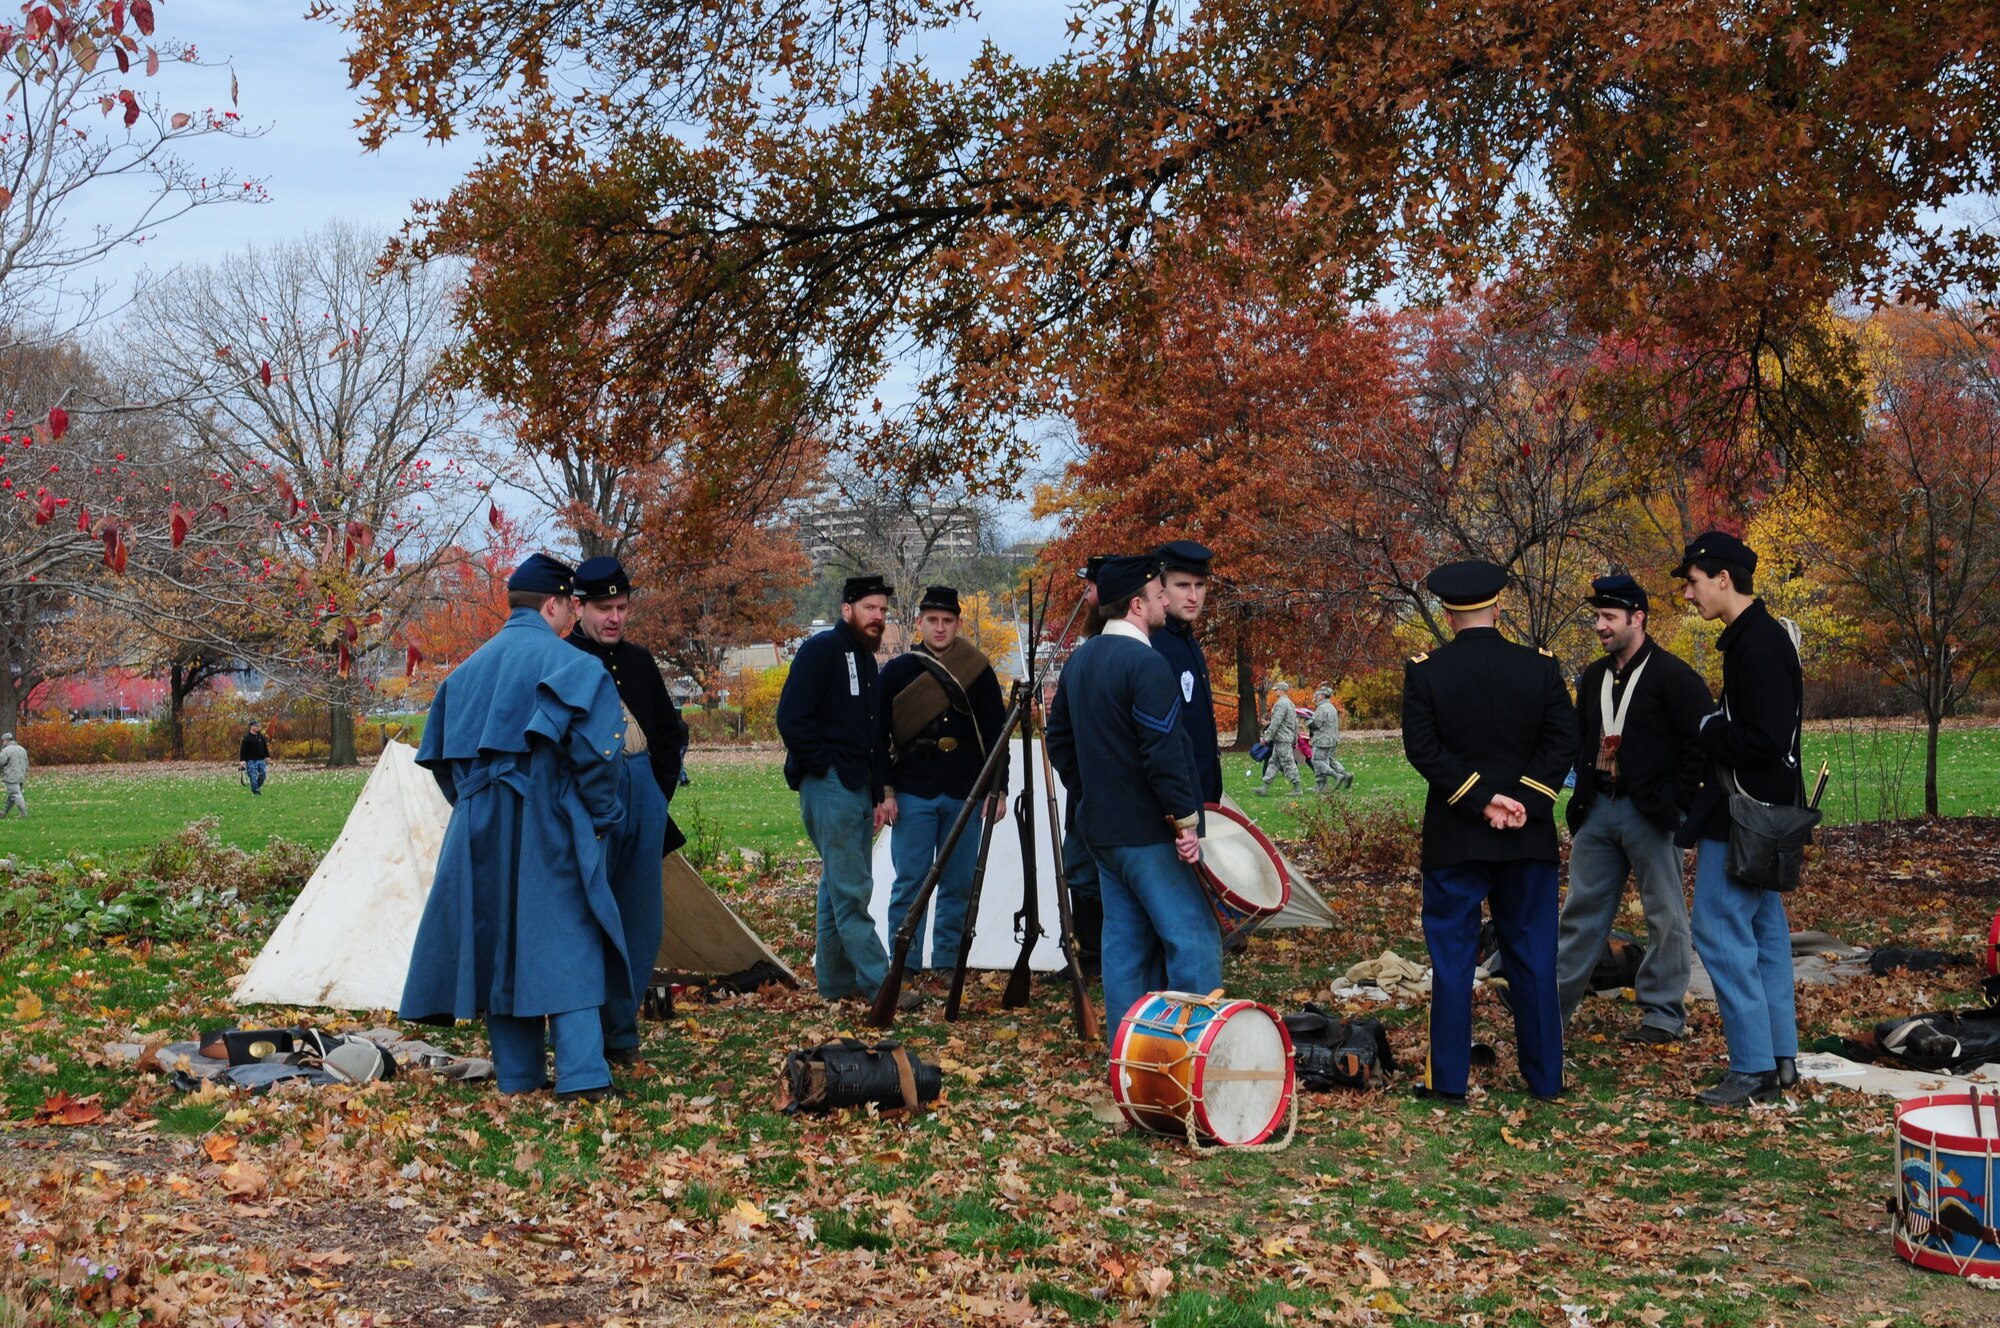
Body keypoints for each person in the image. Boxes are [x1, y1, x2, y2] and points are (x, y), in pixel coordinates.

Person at [399, 554, 631, 1102]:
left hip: (475, 824)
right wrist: (600, 817)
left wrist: (478, 807)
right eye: (570, 606)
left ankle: (519, 1077)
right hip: (548, 817)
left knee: (500, 939)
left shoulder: (464, 673)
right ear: (552, 604)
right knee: (569, 935)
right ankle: (583, 1077)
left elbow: (436, 759)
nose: (573, 617)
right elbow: (599, 760)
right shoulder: (575, 665)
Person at [1402, 559, 1577, 1107]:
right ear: (1499, 607)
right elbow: (1562, 743)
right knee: (1533, 957)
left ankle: (1449, 1081)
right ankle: (1546, 1078)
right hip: (1527, 837)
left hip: (1457, 835)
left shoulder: (1427, 671)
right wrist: (1520, 801)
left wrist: (1480, 801)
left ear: (1447, 612)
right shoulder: (1541, 668)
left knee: (1452, 962)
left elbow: (1424, 750)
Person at [1046, 555, 1216, 1033]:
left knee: (1124, 942)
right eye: (1160, 595)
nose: (1168, 601)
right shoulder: (1146, 663)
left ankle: (1126, 1055)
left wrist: (1089, 793)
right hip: (1148, 833)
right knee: (1193, 938)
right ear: (1138, 605)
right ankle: (1190, 1051)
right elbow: (1162, 753)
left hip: (1101, 830)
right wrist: (1184, 821)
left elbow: (1059, 740)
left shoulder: (1080, 660)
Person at [1673, 531, 1806, 1108]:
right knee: (1764, 934)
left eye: (1694, 582)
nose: (1688, 594)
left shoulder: (1758, 643)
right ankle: (1780, 1060)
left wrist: (1707, 729)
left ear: (1723, 579)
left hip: (1745, 813)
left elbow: (1767, 737)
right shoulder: (1756, 638)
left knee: (1720, 932)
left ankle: (1751, 1066)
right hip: (1761, 812)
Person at [1555, 574, 1713, 1044]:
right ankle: (1552, 1010)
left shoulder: (1675, 676)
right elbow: (1583, 740)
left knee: (1664, 915)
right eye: (1597, 617)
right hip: (1598, 808)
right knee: (1579, 913)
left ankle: (1663, 1015)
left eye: (1608, 617)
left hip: (1651, 815)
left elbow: (1702, 745)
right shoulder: (1594, 678)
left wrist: (1675, 799)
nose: (1599, 626)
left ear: (1637, 618)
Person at [568, 554, 683, 1065]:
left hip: (644, 792)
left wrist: (656, 795)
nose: (614, 617)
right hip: (591, 798)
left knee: (641, 920)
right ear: (578, 607)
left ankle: (621, 1033)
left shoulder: (639, 661)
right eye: (603, 608)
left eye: (621, 607)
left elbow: (667, 733)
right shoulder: (563, 659)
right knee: (587, 919)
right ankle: (580, 1035)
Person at [776, 574, 895, 1003]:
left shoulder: (866, 660)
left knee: (835, 889)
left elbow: (874, 735)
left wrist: (881, 792)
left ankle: (836, 986)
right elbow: (791, 719)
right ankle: (881, 985)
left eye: (882, 610)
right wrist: (824, 767)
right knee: (852, 891)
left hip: (858, 788)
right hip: (829, 785)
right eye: (870, 608)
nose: (878, 617)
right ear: (847, 610)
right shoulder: (820, 651)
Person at [877, 585, 1009, 972]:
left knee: (958, 886)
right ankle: (905, 964)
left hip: (964, 791)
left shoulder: (978, 670)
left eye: (947, 621)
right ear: (919, 622)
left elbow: (998, 734)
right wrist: (885, 790)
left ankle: (948, 963)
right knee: (910, 885)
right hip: (913, 788)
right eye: (932, 620)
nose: (939, 628)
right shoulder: (899, 671)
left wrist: (997, 789)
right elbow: (878, 737)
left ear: (958, 624)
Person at [1060, 555, 1107, 978]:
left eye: (1090, 589)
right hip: (1086, 795)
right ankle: (1090, 957)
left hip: (1132, 801)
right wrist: (1081, 784)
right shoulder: (1082, 655)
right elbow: (1060, 734)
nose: (1085, 597)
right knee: (1079, 866)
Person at [1152, 540, 1223, 804]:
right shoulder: (1153, 646)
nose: (1193, 596)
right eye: (1182, 586)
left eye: (1200, 585)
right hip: (1174, 811)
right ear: (1161, 589)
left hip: (1202, 799)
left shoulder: (1188, 641)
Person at [1256, 680, 1304, 796]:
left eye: (1276, 689)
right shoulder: (1290, 704)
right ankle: (1264, 787)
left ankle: (1297, 789)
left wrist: (1266, 738)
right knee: (1273, 762)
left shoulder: (1281, 704)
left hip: (1282, 739)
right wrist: (1294, 740)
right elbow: (1295, 724)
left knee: (1288, 762)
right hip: (1283, 739)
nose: (1275, 692)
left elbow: (1275, 723)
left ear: (1281, 690)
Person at [1307, 686, 1353, 792]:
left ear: (1323, 696)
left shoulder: (1322, 708)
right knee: (1330, 760)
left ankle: (1336, 776)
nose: (1316, 697)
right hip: (1333, 739)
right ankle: (1344, 775)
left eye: (1318, 695)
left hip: (1322, 740)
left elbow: (1317, 724)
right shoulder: (1332, 707)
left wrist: (1308, 721)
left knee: (1317, 760)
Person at [238, 721, 270, 796]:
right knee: (253, 776)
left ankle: (255, 787)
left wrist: (267, 756)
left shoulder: (261, 736)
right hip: (251, 761)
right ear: (251, 727)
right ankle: (256, 791)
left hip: (261, 760)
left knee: (263, 775)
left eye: (258, 725)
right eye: (256, 725)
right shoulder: (246, 738)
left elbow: (264, 747)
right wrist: (242, 760)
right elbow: (243, 750)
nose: (258, 727)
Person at [0, 732, 26, 818]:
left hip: (11, 776)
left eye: (2, 741)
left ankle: (23, 813)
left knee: (16, 794)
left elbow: (1, 762)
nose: (2, 743)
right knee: (12, 796)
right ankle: (4, 813)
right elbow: (27, 763)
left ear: (6, 741)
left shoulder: (6, 750)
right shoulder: (22, 749)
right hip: (21, 776)